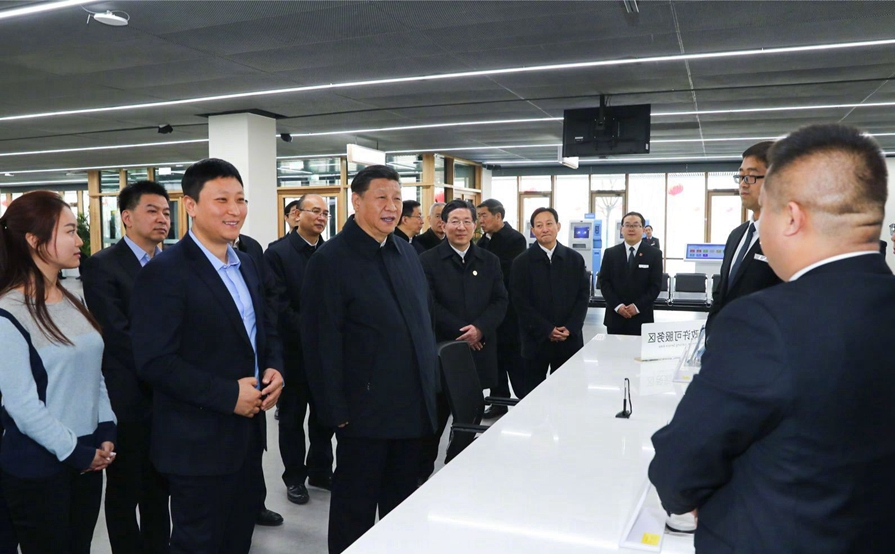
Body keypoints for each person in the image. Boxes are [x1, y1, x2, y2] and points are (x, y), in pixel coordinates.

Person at [650, 123, 895, 553]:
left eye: (764, 210)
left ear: (792, 218)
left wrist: (689, 500)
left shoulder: (764, 323)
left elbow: (683, 463)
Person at [130, 158, 284, 554]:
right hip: (196, 444)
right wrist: (229, 395)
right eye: (222, 200)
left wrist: (274, 367)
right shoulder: (165, 272)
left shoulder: (247, 263)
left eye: (240, 199)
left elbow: (264, 330)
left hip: (246, 439)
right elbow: (154, 361)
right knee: (198, 544)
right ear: (191, 205)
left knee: (237, 539)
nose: (235, 210)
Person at [301, 165, 437, 554]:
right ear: (356, 201)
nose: (391, 206)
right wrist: (333, 408)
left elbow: (422, 323)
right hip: (362, 413)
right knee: (355, 511)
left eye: (396, 198)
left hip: (411, 408)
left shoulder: (406, 252)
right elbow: (320, 341)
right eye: (381, 198)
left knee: (401, 509)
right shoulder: (331, 260)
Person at [0, 191, 116, 554]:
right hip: (38, 467)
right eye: (69, 231)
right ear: (34, 241)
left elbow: (93, 371)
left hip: (86, 457)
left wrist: (106, 428)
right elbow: (22, 406)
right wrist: (76, 451)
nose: (79, 241)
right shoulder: (8, 312)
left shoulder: (71, 299)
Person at [80, 180, 172, 554]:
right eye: (152, 211)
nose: (162, 218)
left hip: (168, 395)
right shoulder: (102, 266)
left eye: (166, 212)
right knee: (125, 488)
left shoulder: (171, 263)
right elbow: (118, 334)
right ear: (127, 217)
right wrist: (168, 368)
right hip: (128, 395)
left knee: (160, 486)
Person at [418, 199, 508, 479]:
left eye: (467, 221)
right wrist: (465, 334)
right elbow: (429, 304)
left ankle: (455, 469)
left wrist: (480, 329)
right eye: (454, 221)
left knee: (470, 415)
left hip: (479, 350)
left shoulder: (489, 260)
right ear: (443, 225)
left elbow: (500, 300)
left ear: (475, 225)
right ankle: (420, 476)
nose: (461, 227)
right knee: (435, 419)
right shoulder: (427, 260)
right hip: (443, 353)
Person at [264, 194, 335, 506]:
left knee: (324, 416)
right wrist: (312, 332)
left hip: (326, 353)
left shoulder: (331, 252)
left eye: (325, 213)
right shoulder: (277, 253)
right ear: (297, 214)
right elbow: (278, 304)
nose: (321, 217)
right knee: (292, 419)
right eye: (315, 211)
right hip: (293, 352)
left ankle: (320, 470)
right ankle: (294, 477)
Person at [231, 233, 284, 528]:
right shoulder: (173, 266)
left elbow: (266, 307)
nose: (233, 212)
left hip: (254, 385)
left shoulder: (249, 252)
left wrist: (273, 365)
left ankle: (255, 504)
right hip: (216, 395)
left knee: (252, 455)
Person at [509, 207, 589, 399]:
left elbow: (583, 296)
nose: (544, 229)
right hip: (536, 340)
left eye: (549, 224)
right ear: (533, 230)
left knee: (568, 394)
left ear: (558, 226)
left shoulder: (574, 259)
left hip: (569, 340)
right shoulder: (521, 262)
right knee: (533, 395)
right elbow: (520, 302)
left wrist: (571, 327)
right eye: (539, 225)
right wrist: (547, 329)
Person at [706, 141, 782, 336]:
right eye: (740, 176)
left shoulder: (789, 239)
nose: (743, 183)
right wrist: (711, 334)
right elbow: (721, 293)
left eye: (751, 176)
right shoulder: (737, 235)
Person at [476, 198, 527, 417]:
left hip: (509, 311)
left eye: (484, 215)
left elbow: (506, 271)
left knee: (514, 359)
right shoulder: (482, 241)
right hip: (489, 311)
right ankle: (499, 402)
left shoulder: (515, 239)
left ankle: (526, 400)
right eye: (478, 216)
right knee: (494, 359)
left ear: (498, 216)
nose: (480, 220)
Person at [598, 211, 663, 336]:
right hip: (615, 317)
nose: (631, 229)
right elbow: (604, 282)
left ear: (643, 229)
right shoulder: (610, 253)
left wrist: (637, 307)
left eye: (635, 225)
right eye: (627, 225)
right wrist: (618, 306)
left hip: (642, 317)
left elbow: (655, 286)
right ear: (622, 229)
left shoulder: (654, 254)